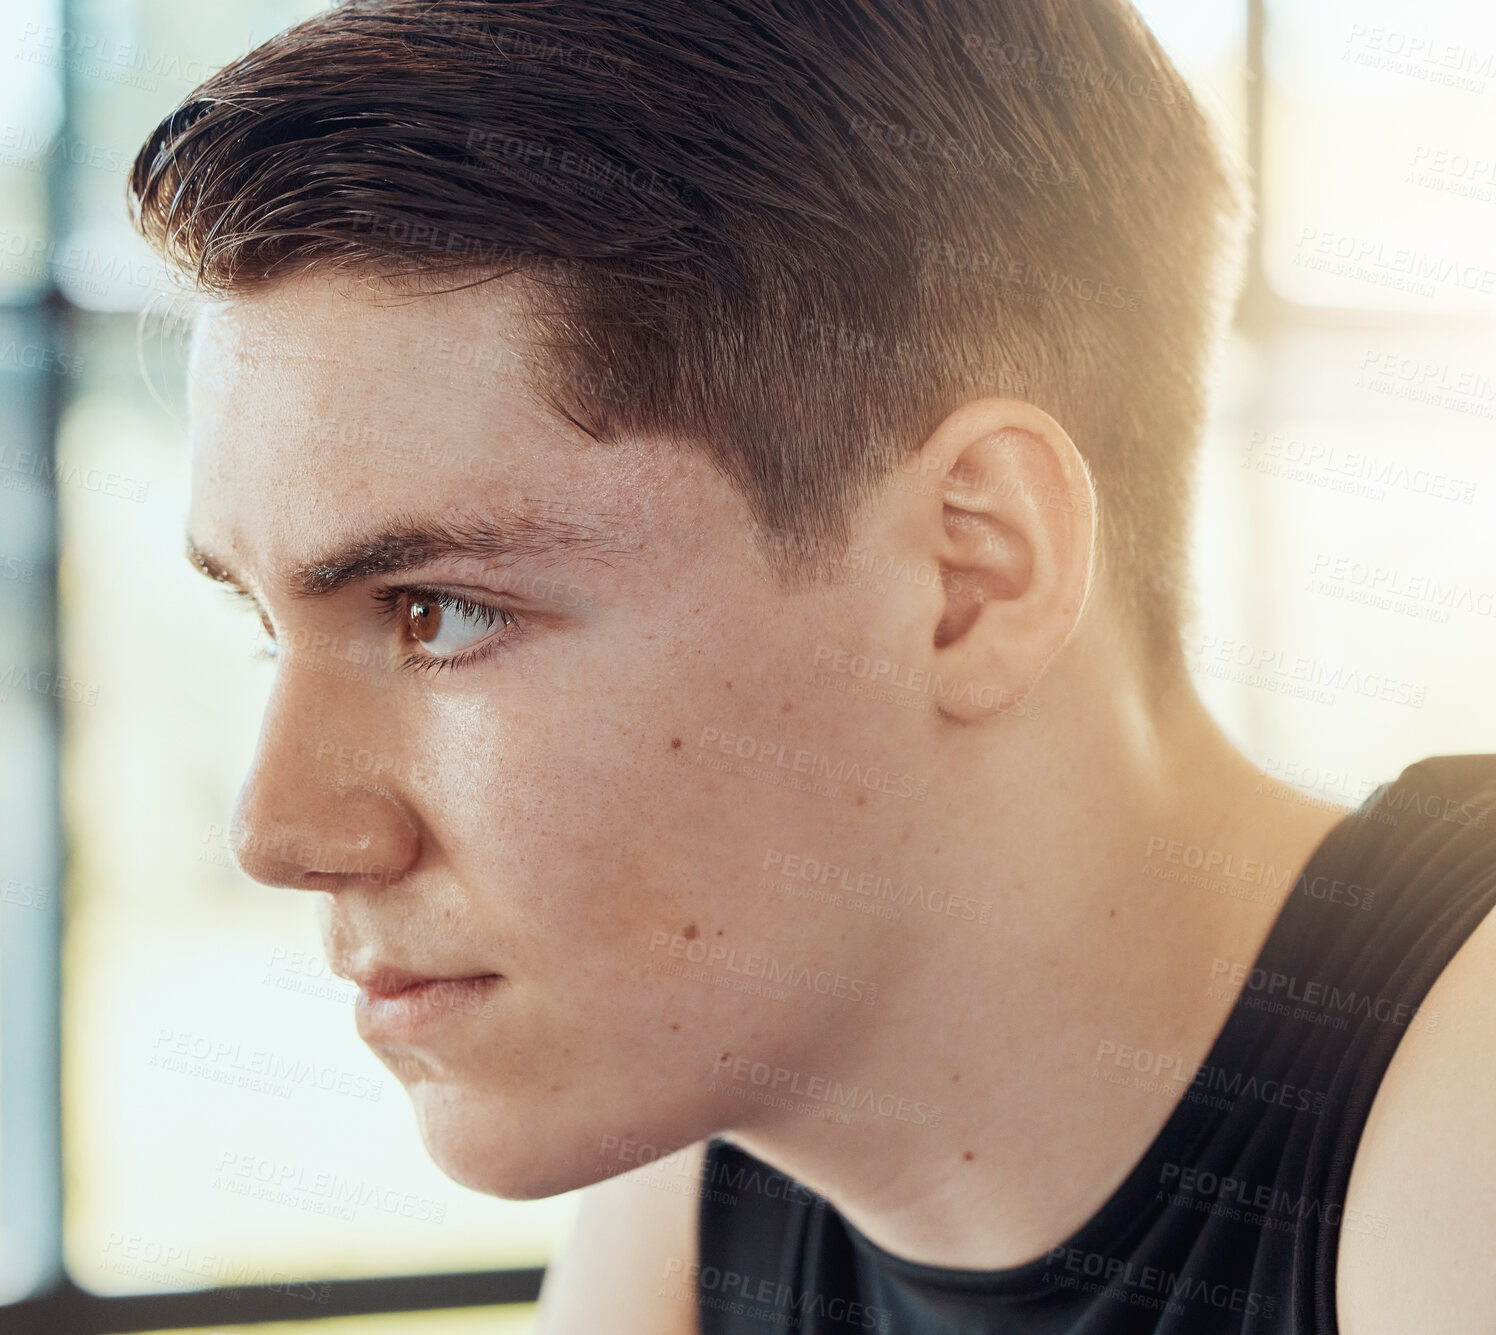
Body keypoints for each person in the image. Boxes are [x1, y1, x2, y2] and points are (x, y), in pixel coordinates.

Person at [128, 1, 1495, 1331]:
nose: (279, 832)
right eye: (264, 622)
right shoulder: (712, 1113)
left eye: (439, 612)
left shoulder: (1463, 1105)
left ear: (973, 576)